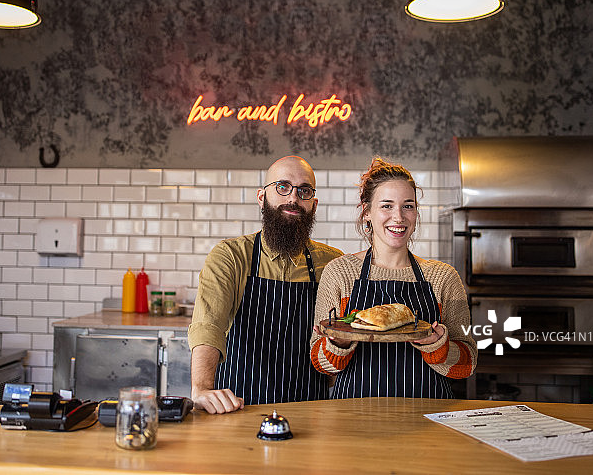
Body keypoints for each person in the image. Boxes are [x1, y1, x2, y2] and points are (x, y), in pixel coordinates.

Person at [310, 157, 476, 398]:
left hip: (427, 417)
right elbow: (320, 362)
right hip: (354, 418)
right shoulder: (340, 272)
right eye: (386, 206)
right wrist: (340, 344)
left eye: (408, 206)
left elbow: (468, 364)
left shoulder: (443, 277)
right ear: (367, 212)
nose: (398, 217)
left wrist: (438, 347)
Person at [188, 156, 343, 413]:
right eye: (282, 187)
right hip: (237, 408)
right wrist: (201, 388)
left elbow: (338, 341)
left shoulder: (332, 262)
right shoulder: (231, 255)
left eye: (303, 191)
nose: (293, 198)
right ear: (262, 197)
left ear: (313, 205)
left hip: (311, 411)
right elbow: (208, 325)